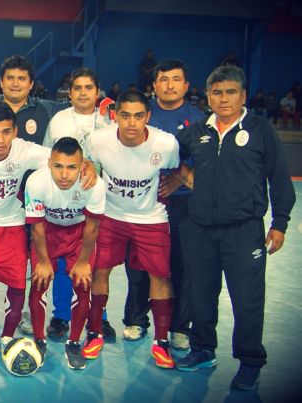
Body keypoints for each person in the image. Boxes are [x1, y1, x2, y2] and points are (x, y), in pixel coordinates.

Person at [0, 102, 96, 362]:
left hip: (12, 226)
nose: (0, 139)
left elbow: (61, 157)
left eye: (6, 132)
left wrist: (87, 164)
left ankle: (7, 337)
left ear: (15, 131)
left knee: (16, 286)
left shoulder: (26, 151)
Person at [174, 65, 295, 391]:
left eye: (230, 92)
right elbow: (170, 156)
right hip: (200, 228)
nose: (223, 99)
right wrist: (186, 177)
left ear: (242, 95)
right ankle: (202, 349)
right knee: (201, 293)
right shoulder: (198, 130)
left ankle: (250, 361)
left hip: (244, 230)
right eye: (217, 92)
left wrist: (279, 223)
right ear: (208, 95)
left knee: (247, 299)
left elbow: (279, 178)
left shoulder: (260, 130)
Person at [84, 90, 180, 369]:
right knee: (99, 271)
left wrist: (176, 182)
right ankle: (95, 332)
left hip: (151, 219)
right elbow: (88, 161)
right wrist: (89, 168)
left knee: (160, 276)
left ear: (148, 117)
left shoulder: (165, 143)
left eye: (139, 116)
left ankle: (161, 342)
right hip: (111, 216)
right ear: (115, 116)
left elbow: (177, 170)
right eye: (125, 115)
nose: (132, 123)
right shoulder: (98, 141)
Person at [121, 59, 206, 349]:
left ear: (186, 85)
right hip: (142, 203)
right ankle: (135, 320)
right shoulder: (142, 115)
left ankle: (180, 327)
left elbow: (205, 165)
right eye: (163, 80)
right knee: (138, 265)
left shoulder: (198, 120)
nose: (169, 85)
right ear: (154, 85)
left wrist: (179, 181)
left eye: (176, 80)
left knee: (182, 265)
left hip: (183, 206)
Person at [41, 67, 115, 340]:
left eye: (88, 88)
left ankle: (99, 316)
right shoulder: (59, 120)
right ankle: (61, 316)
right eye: (78, 88)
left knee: (95, 265)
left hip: (98, 200)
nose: (83, 93)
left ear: (97, 92)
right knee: (61, 264)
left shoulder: (110, 119)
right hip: (64, 200)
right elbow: (51, 157)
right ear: (70, 93)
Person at [24, 137, 105, 370]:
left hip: (80, 233)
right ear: (49, 163)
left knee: (83, 283)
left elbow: (92, 228)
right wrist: (43, 261)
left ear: (82, 166)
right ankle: (39, 340)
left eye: (71, 167)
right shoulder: (36, 181)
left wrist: (82, 262)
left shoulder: (95, 184)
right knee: (39, 281)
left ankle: (74, 342)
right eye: (58, 166)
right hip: (47, 231)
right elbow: (36, 228)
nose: (64, 175)